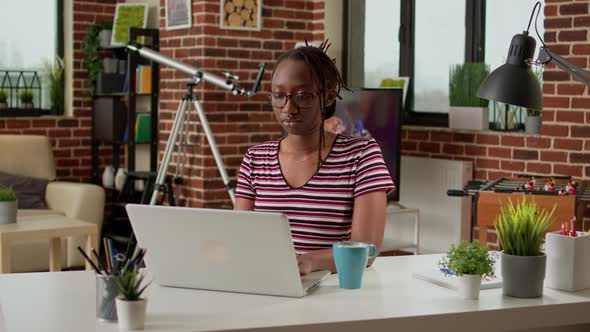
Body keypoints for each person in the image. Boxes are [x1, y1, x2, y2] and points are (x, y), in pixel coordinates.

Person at [234, 40, 396, 275]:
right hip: (269, 283)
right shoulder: (255, 159)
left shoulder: (361, 156)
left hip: (331, 290)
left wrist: (310, 262)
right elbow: (240, 238)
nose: (288, 108)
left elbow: (366, 250)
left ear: (328, 97)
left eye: (302, 96)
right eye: (279, 96)